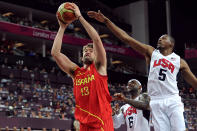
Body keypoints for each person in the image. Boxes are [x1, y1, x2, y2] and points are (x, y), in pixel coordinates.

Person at [88, 10, 197, 131]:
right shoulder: (151, 52)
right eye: (159, 38)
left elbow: (194, 83)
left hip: (172, 99)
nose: (159, 39)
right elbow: (126, 38)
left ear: (171, 43)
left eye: (163, 38)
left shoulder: (179, 61)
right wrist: (106, 21)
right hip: (155, 101)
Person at [51, 4, 113, 131]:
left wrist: (80, 17)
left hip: (101, 124)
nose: (87, 52)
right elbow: (55, 53)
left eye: (91, 50)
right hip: (84, 125)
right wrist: (62, 27)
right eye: (85, 51)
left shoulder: (100, 67)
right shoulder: (76, 72)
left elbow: (96, 39)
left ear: (97, 56)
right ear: (81, 57)